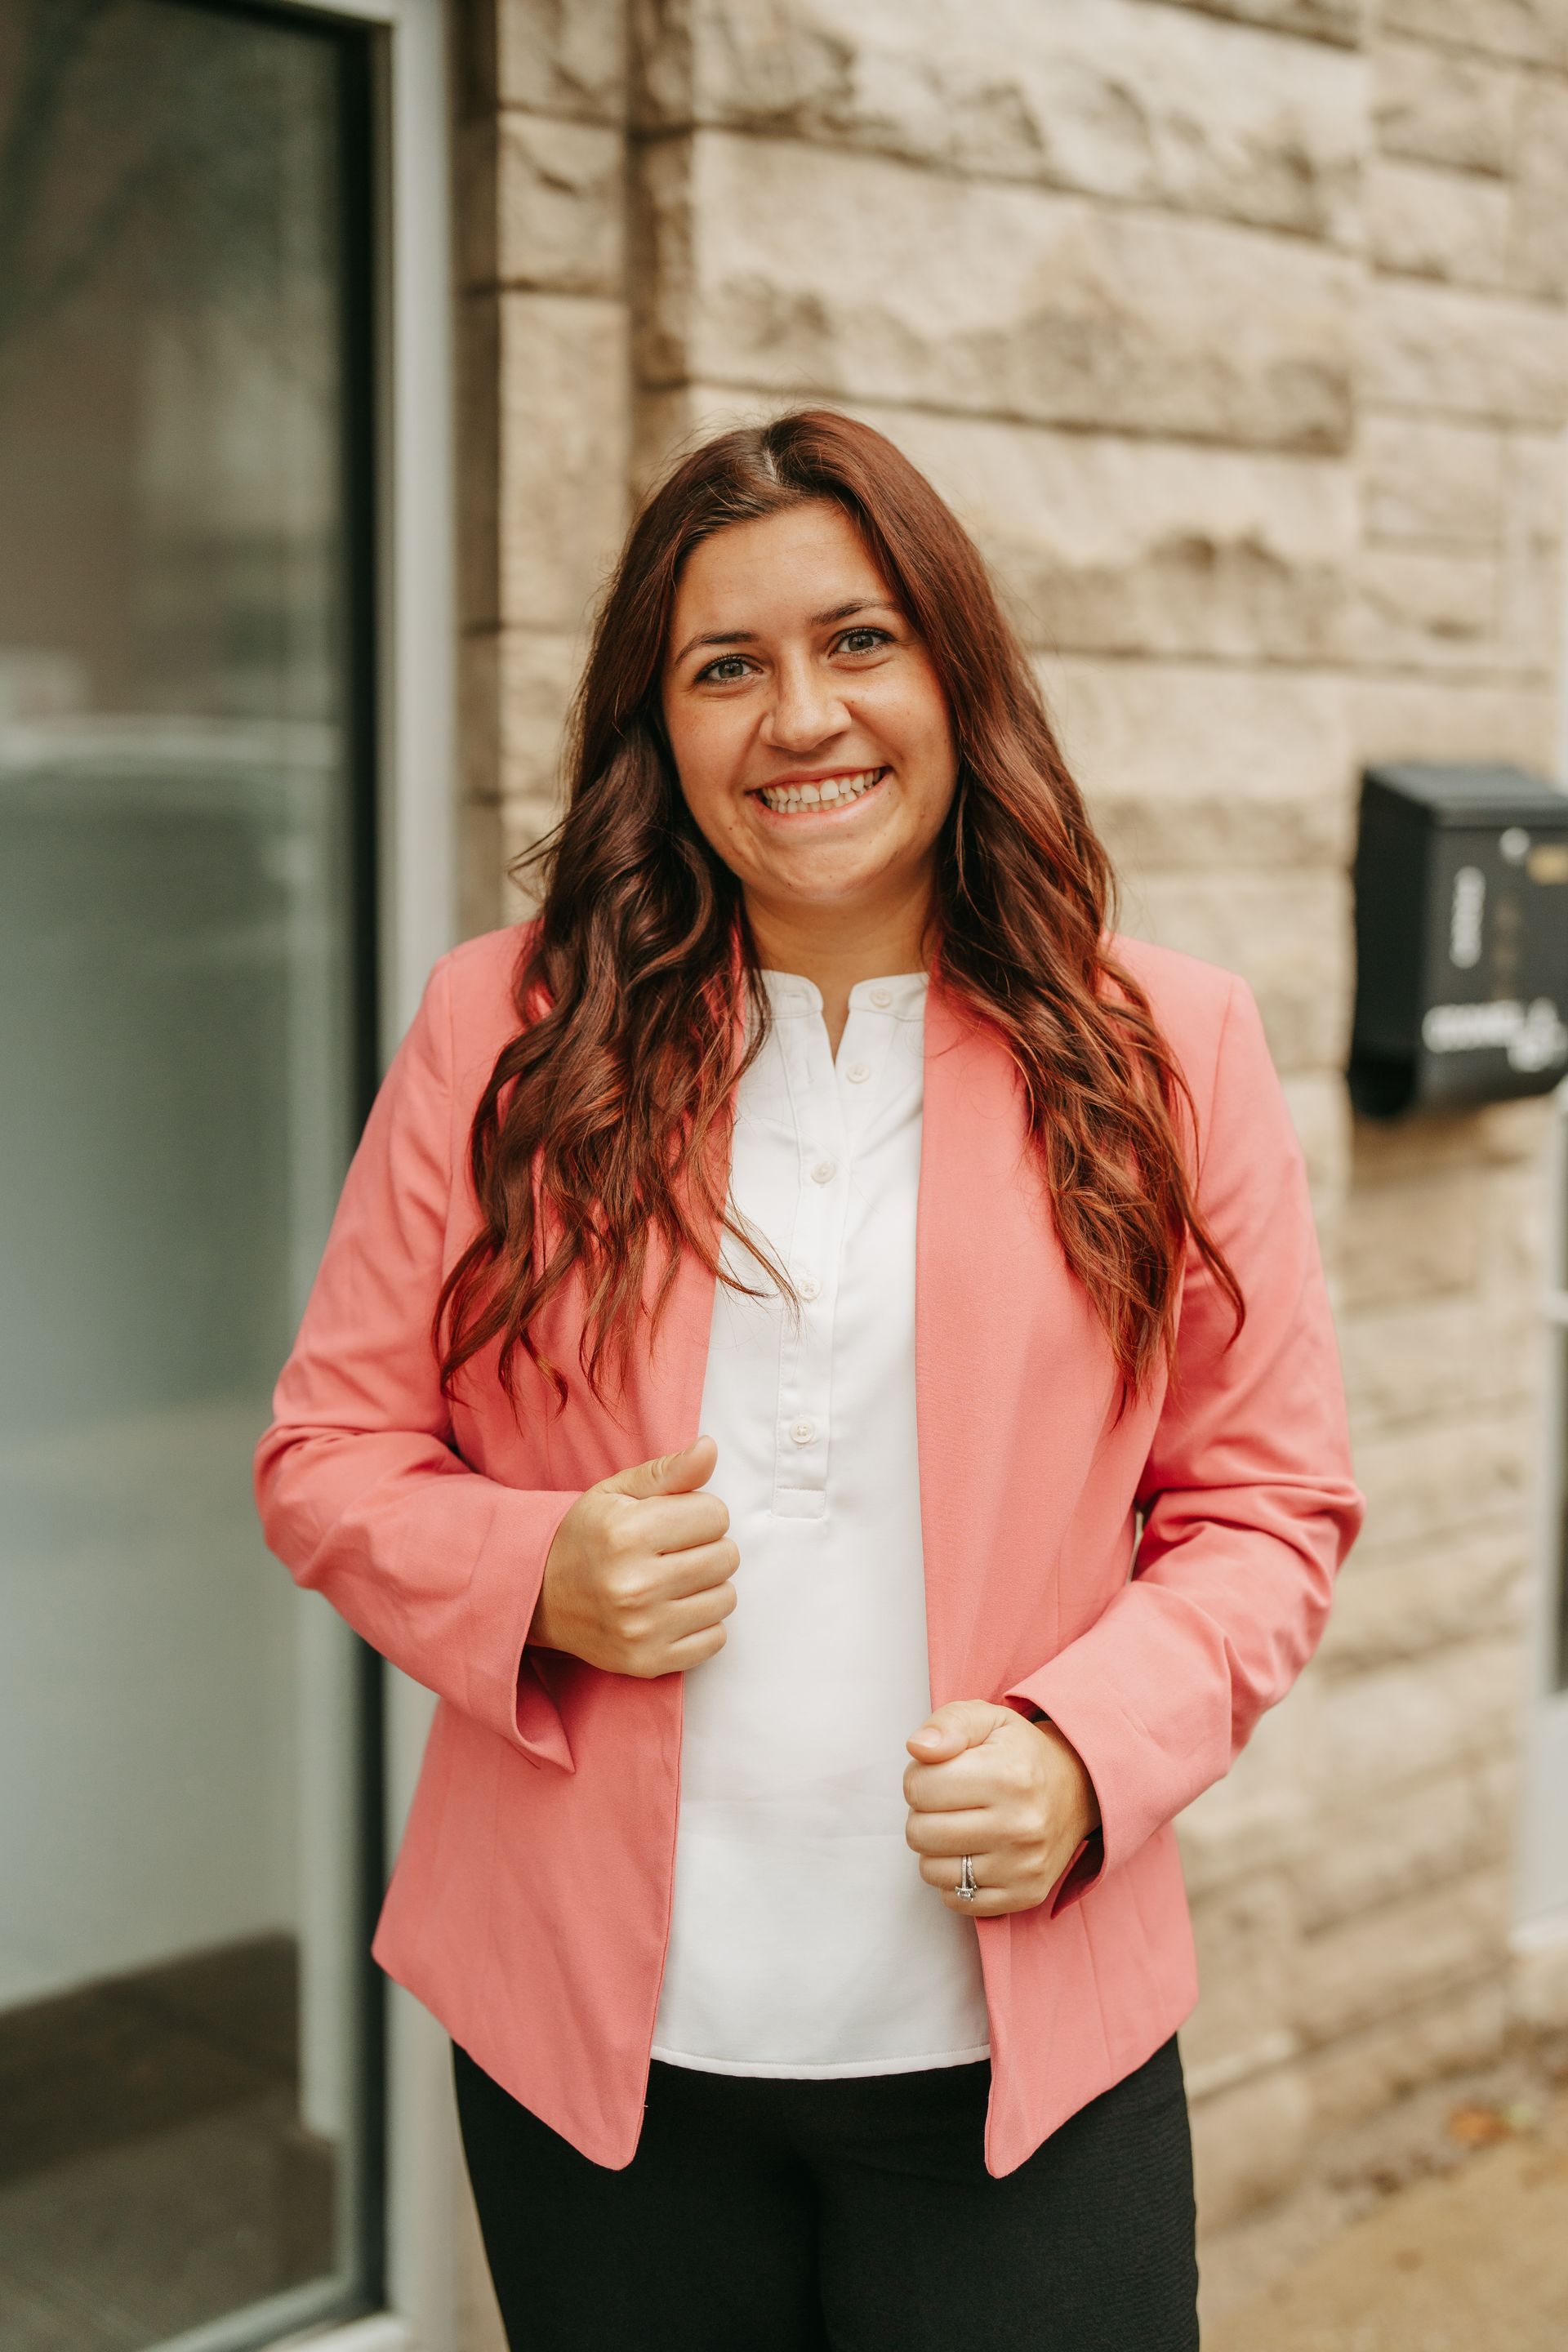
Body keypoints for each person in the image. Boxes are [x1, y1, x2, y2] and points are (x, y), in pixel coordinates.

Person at [254, 407, 1365, 2352]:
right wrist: (536, 1575)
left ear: (955, 671)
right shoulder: (502, 1030)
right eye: (726, 666)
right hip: (602, 2065)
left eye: (859, 641)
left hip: (1022, 2057)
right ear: (658, 724)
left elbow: (1267, 1509)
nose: (802, 718)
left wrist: (1087, 1753)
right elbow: (327, 1453)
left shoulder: (1168, 1047)